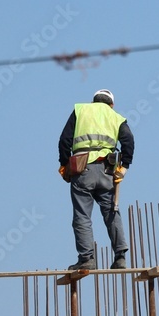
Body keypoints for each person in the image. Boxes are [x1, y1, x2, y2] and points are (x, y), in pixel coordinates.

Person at [57, 88, 134, 270]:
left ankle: (87, 259)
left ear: (93, 102)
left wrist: (64, 164)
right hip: (107, 170)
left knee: (82, 216)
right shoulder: (116, 117)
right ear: (111, 104)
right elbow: (128, 140)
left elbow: (64, 140)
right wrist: (125, 167)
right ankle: (120, 256)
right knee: (111, 212)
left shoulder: (80, 110)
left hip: (81, 170)